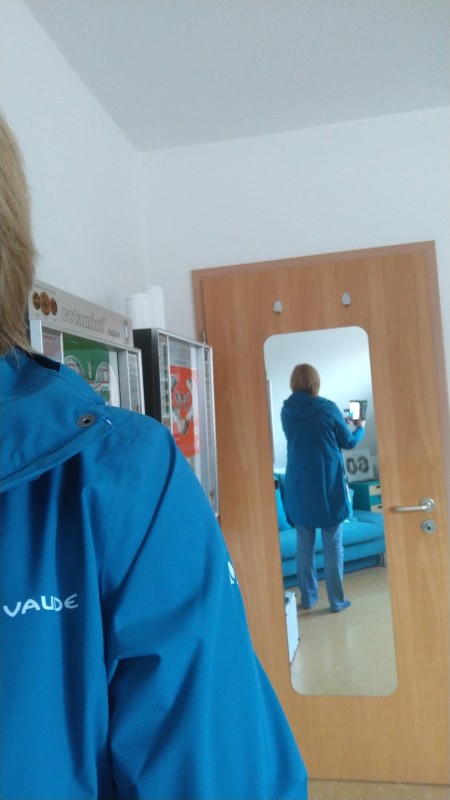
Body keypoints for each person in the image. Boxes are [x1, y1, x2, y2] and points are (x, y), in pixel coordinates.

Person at [0, 112, 308, 800]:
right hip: (320, 500)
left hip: (306, 500)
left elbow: (213, 770)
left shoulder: (118, 478)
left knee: (316, 546)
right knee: (322, 550)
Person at [281, 363, 365, 613]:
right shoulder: (328, 408)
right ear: (315, 383)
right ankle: (337, 601)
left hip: (299, 487)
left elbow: (306, 437)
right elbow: (348, 442)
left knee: (304, 546)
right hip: (327, 486)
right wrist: (359, 427)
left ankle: (308, 598)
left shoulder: (287, 411)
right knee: (333, 545)